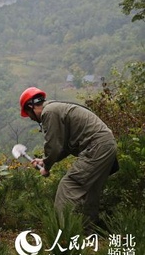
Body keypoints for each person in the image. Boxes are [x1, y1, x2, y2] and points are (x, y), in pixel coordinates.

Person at [19, 87, 118, 226]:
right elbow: (62, 146)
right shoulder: (57, 108)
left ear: (31, 106)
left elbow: (53, 145)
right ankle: (89, 229)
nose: (31, 118)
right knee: (90, 191)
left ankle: (63, 232)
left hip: (96, 146)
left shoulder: (49, 112)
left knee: (69, 185)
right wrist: (44, 160)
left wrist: (46, 167)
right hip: (106, 145)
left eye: (29, 114)